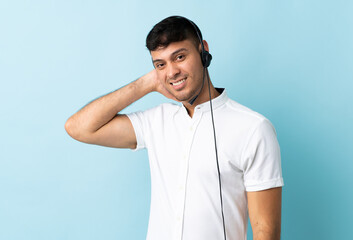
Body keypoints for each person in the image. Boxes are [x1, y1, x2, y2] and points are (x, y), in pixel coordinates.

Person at [65, 16, 284, 240]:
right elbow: (79, 128)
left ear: (203, 51)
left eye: (179, 57)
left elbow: (265, 230)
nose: (171, 72)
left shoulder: (254, 129)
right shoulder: (156, 121)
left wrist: (162, 69)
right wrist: (147, 83)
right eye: (160, 64)